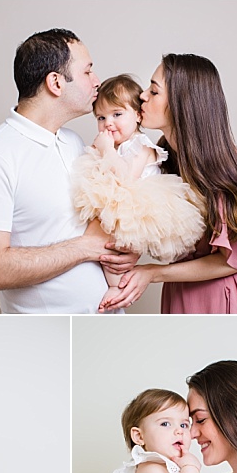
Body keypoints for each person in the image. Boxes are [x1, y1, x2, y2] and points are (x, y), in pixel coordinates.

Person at [0, 28, 138, 314]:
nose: (97, 81)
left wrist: (124, 252)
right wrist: (86, 247)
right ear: (55, 82)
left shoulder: (75, 143)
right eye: (87, 72)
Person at [101, 55, 237, 313]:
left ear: (182, 103)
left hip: (221, 296)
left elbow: (231, 262)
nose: (143, 96)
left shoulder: (227, 173)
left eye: (154, 91)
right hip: (178, 292)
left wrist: (154, 273)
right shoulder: (159, 159)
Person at [70, 75, 205, 311]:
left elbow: (125, 179)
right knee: (105, 244)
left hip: (138, 203)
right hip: (121, 202)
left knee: (112, 245)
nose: (108, 123)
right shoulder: (119, 145)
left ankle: (116, 287)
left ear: (138, 115)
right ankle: (111, 285)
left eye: (117, 114)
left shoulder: (141, 145)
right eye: (101, 118)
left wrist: (106, 150)